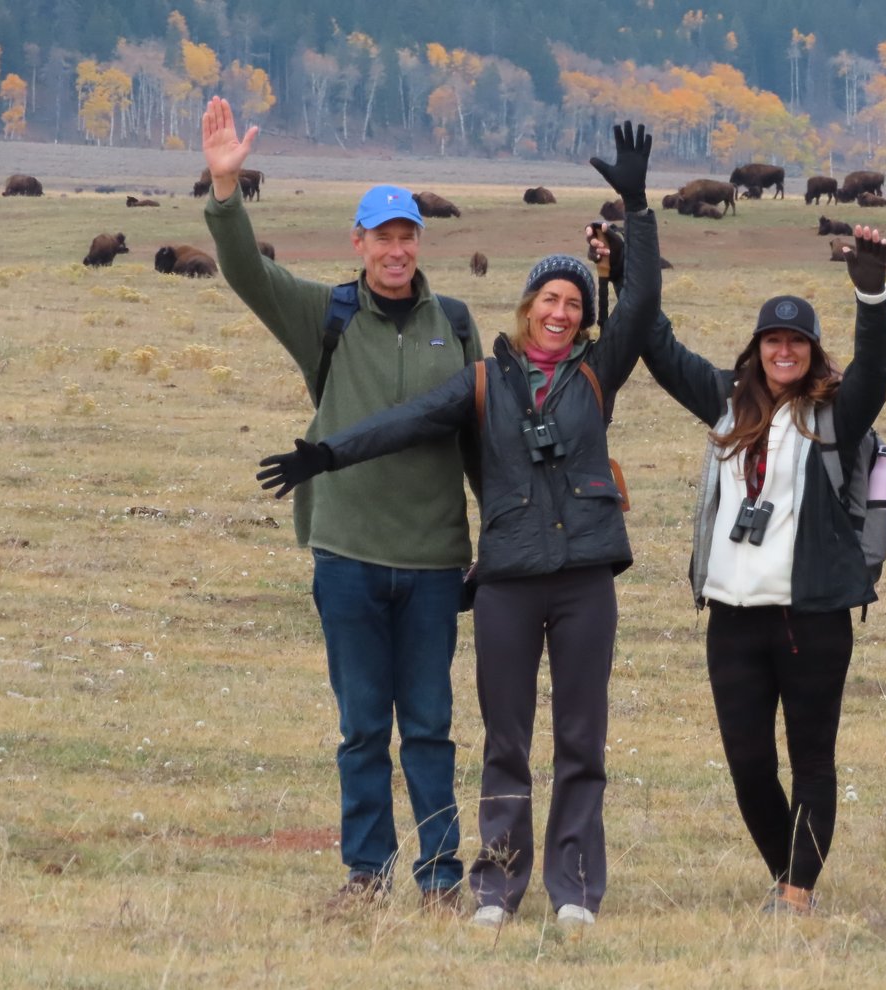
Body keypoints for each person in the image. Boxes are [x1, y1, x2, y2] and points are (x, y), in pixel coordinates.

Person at [255, 121, 660, 930]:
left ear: (584, 321)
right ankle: (497, 886)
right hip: (507, 576)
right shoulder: (484, 378)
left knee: (580, 740)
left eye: (574, 304)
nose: (560, 311)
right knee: (502, 740)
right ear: (527, 307)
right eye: (548, 298)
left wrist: (639, 210)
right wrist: (325, 455)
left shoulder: (596, 372)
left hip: (582, 575)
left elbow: (642, 306)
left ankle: (575, 886)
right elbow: (405, 422)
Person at [200, 95, 484, 913]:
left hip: (433, 561)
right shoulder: (324, 315)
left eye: (406, 237)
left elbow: (478, 440)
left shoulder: (455, 324)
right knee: (363, 727)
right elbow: (248, 274)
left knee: (429, 727)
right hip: (349, 555)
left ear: (418, 244)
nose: (395, 251)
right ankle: (366, 875)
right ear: (356, 244)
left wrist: (495, 535)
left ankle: (438, 878)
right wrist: (225, 192)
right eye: (381, 238)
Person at [620, 224, 886, 915]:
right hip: (731, 619)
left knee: (811, 761)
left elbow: (879, 369)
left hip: (812, 619)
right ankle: (788, 873)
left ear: (811, 352)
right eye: (773, 340)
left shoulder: (835, 416)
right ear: (757, 348)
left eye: (796, 342)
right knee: (748, 766)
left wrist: (872, 292)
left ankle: (798, 892)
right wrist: (632, 253)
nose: (784, 351)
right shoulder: (724, 402)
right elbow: (656, 345)